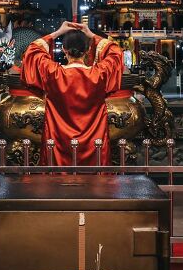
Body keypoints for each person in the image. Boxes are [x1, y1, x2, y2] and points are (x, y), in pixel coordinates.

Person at [22, 21, 123, 165]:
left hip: (58, 141)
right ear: (88, 50)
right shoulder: (99, 74)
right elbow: (115, 52)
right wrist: (92, 35)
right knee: (96, 183)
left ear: (64, 49)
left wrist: (57, 32)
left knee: (57, 180)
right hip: (94, 142)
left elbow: (33, 51)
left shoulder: (53, 73)